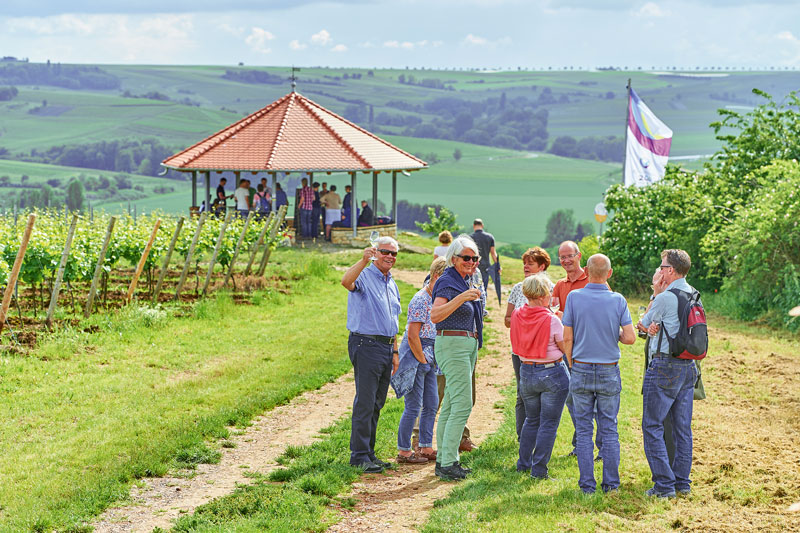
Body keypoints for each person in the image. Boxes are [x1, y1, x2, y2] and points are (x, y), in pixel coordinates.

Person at [562, 254, 636, 494]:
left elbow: (567, 337)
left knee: (583, 430)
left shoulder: (574, 297)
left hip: (581, 366)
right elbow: (630, 337)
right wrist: (612, 334)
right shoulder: (618, 300)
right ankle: (611, 485)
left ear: (585, 270)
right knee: (609, 428)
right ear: (610, 274)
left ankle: (586, 486)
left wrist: (573, 363)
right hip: (608, 370)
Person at [639, 249, 699, 498]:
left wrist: (656, 293)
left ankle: (663, 486)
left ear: (670, 271)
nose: (661, 270)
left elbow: (643, 323)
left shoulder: (666, 297)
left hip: (665, 366)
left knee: (652, 425)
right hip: (688, 367)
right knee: (682, 428)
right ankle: (682, 483)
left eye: (662, 267)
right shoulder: (694, 293)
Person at [341, 237, 402, 473]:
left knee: (377, 402)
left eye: (394, 254)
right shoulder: (364, 275)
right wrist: (362, 260)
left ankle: (369, 453)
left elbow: (393, 320)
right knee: (365, 402)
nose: (390, 257)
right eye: (386, 252)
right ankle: (358, 456)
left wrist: (395, 350)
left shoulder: (392, 282)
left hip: (386, 346)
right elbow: (346, 281)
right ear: (376, 252)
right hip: (366, 344)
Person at [430, 235, 484, 481]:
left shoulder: (464, 280)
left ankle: (443, 460)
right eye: (466, 258)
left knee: (452, 403)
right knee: (462, 404)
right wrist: (462, 298)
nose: (471, 262)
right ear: (453, 258)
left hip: (464, 343)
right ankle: (450, 461)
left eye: (475, 258)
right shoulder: (448, 281)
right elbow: (435, 315)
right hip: (453, 344)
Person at [511, 274, 569, 479]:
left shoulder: (518, 314)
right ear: (544, 294)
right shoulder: (551, 320)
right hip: (551, 371)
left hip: (526, 370)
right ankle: (539, 469)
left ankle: (523, 463)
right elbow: (564, 347)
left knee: (531, 419)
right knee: (549, 423)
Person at [392, 257, 447, 464]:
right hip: (417, 357)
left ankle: (426, 446)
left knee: (431, 403)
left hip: (430, 358)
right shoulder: (421, 299)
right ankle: (404, 450)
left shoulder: (439, 299)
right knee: (413, 405)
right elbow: (413, 335)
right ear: (435, 277)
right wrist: (422, 360)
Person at [553, 240, 602, 460]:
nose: (565, 261)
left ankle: (602, 445)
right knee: (572, 398)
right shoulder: (559, 286)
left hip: (592, 348)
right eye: (562, 257)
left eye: (569, 256)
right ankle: (581, 443)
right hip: (568, 348)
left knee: (597, 399)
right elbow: (553, 314)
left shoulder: (592, 280)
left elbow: (605, 307)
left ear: (579, 256)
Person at [504, 246, 553, 440]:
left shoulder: (550, 288)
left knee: (543, 395)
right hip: (519, 351)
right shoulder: (518, 288)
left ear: (542, 266)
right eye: (524, 263)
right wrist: (521, 321)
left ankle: (541, 436)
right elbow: (507, 319)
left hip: (543, 352)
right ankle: (522, 436)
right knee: (522, 393)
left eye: (530, 263)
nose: (525, 266)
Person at [470, 219, 500, 292]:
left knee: (473, 287)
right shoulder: (490, 237)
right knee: (484, 288)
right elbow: (493, 253)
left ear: (474, 226)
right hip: (486, 266)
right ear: (482, 226)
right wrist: (497, 265)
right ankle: (483, 302)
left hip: (473, 265)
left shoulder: (470, 238)